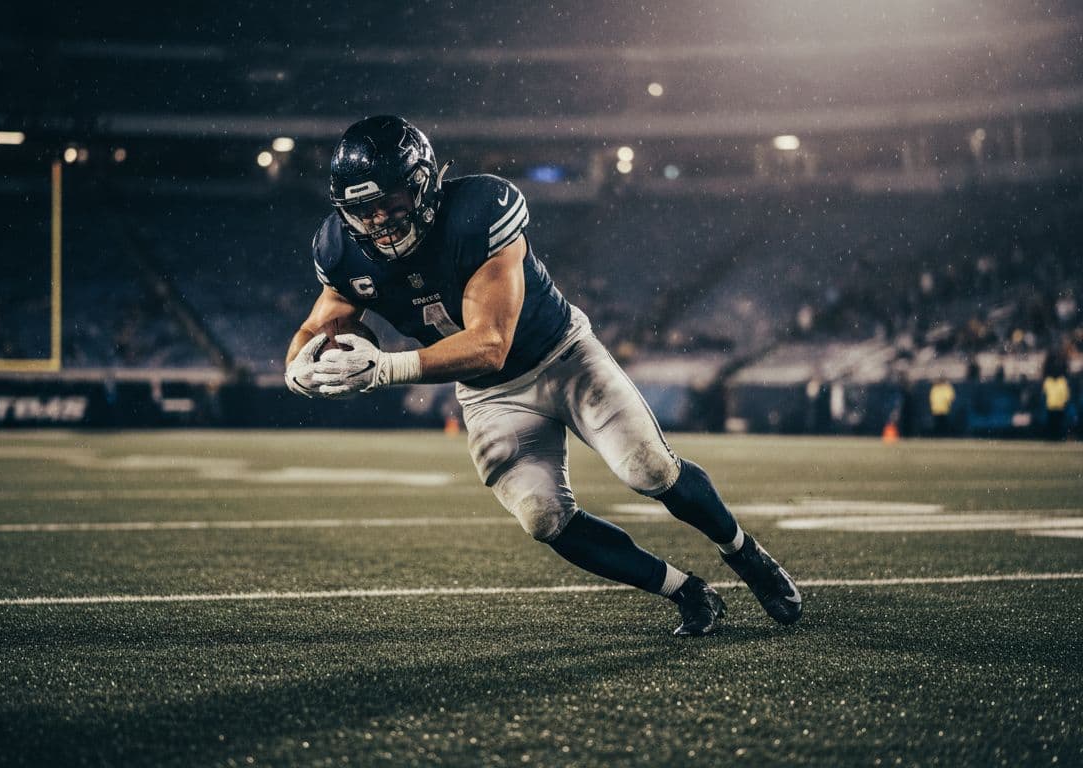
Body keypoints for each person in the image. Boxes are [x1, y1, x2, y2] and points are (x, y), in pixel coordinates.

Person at [283, 116, 801, 636]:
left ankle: (744, 553)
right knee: (543, 517)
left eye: (392, 202)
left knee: (648, 470)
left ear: (424, 184)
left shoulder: (479, 211)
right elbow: (320, 323)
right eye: (363, 211)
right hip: (492, 395)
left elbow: (490, 343)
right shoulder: (340, 249)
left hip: (562, 356)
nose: (381, 222)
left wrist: (385, 368)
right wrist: (298, 367)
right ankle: (686, 591)